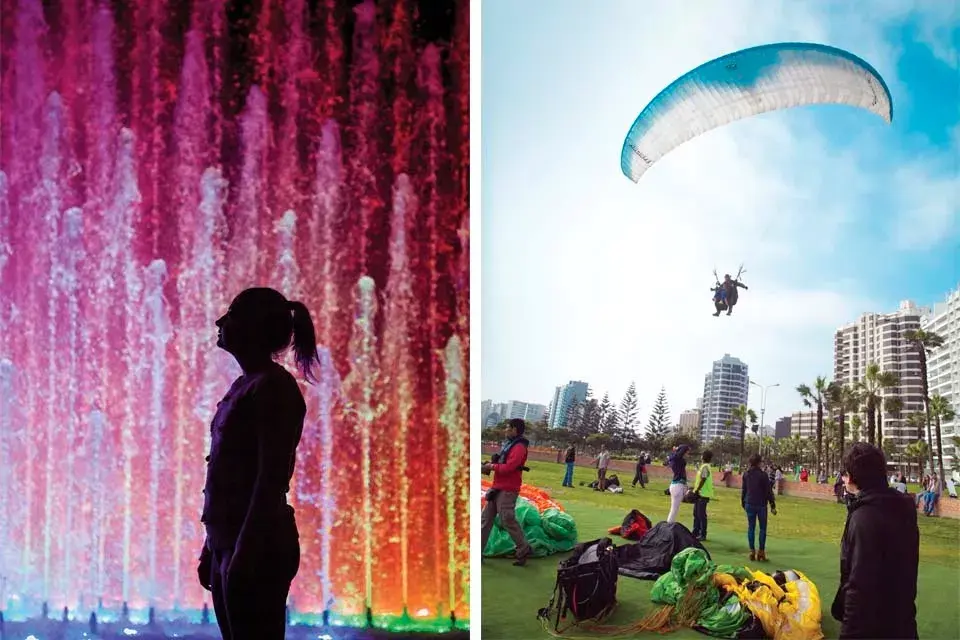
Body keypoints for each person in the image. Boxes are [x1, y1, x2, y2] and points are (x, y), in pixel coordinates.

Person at [198, 287, 319, 640]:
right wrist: (212, 545)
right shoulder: (248, 384)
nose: (221, 321)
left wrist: (244, 552)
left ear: (252, 327)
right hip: (231, 541)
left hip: (256, 545)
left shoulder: (273, 387)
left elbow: (269, 478)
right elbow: (227, 474)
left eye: (232, 313)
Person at [831, 443, 918, 639]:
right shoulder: (903, 507)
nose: (843, 480)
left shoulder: (864, 517)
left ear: (852, 477)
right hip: (903, 621)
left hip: (873, 628)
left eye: (845, 474)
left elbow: (859, 585)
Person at [481, 418, 533, 566]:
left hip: (508, 489)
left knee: (507, 519)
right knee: (485, 520)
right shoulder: (510, 444)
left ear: (515, 430)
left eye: (508, 428)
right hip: (497, 486)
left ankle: (524, 549)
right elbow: (502, 464)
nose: (505, 430)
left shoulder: (519, 447)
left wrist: (492, 467)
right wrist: (490, 465)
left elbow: (509, 467)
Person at [741, 453, 777, 562]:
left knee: (751, 527)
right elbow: (768, 491)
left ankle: (752, 551)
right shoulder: (763, 475)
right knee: (762, 528)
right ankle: (761, 551)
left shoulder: (746, 474)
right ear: (759, 462)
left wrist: (743, 502)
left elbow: (744, 490)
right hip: (761, 504)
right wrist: (772, 505)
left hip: (749, 502)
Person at [691, 450, 714, 541]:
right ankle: (696, 531)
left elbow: (703, 478)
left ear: (703, 457)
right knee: (696, 513)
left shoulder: (705, 467)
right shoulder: (704, 467)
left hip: (702, 494)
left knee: (701, 514)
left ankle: (702, 533)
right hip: (700, 493)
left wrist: (697, 489)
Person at [666, 444, 690, 523]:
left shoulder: (675, 459)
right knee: (674, 510)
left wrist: (676, 450)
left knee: (674, 510)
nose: (687, 454)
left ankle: (669, 526)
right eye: (687, 452)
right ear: (683, 452)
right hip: (678, 486)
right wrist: (677, 450)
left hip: (676, 485)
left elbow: (673, 456)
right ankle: (668, 528)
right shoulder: (680, 460)